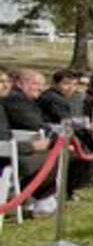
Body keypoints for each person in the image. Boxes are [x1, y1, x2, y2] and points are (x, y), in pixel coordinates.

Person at [4, 69, 90, 197]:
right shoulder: (16, 99)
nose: (40, 88)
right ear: (20, 83)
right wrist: (54, 138)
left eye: (42, 84)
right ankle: (40, 197)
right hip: (12, 151)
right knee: (67, 152)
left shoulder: (25, 98)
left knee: (74, 147)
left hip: (22, 143)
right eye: (35, 84)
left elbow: (40, 124)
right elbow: (34, 124)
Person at [0, 68, 57, 217]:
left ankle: (34, 198)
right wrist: (31, 146)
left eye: (7, 82)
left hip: (9, 151)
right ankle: (41, 200)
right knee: (54, 155)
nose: (6, 86)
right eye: (1, 82)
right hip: (4, 159)